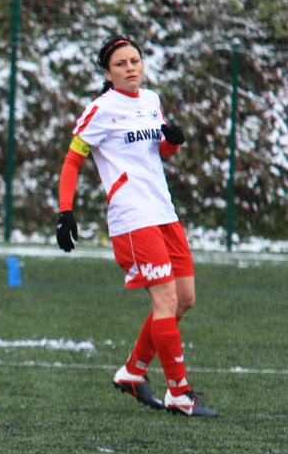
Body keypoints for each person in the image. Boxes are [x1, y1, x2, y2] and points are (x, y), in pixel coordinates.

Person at [55, 34, 218, 417]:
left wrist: (172, 143)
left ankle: (132, 372)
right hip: (132, 216)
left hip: (164, 212)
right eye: (121, 64)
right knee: (165, 300)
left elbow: (158, 152)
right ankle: (179, 394)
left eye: (135, 61)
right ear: (107, 73)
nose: (130, 68)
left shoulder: (150, 100)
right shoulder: (100, 110)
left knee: (185, 299)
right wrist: (65, 211)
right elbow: (73, 160)